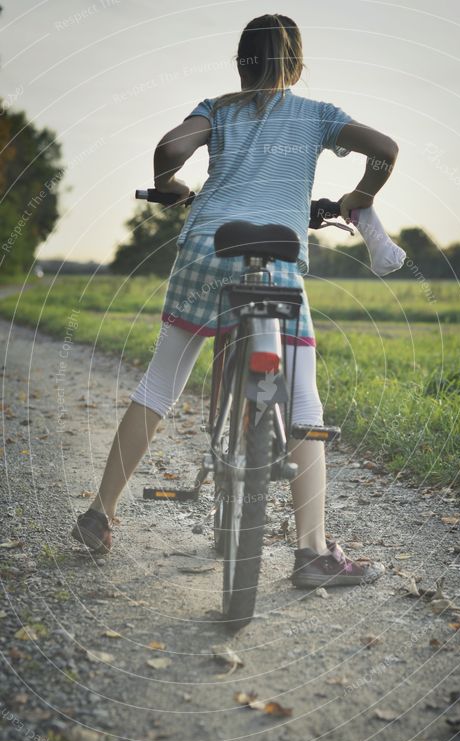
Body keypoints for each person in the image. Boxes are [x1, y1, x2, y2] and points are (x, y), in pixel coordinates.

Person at [72, 13, 399, 589]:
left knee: (159, 384)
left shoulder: (217, 109)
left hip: (205, 249)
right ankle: (313, 553)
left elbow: (168, 148)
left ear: (242, 63)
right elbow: (385, 148)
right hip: (275, 259)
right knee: (302, 400)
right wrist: (360, 194)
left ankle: (100, 514)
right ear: (296, 63)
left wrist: (171, 185)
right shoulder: (319, 116)